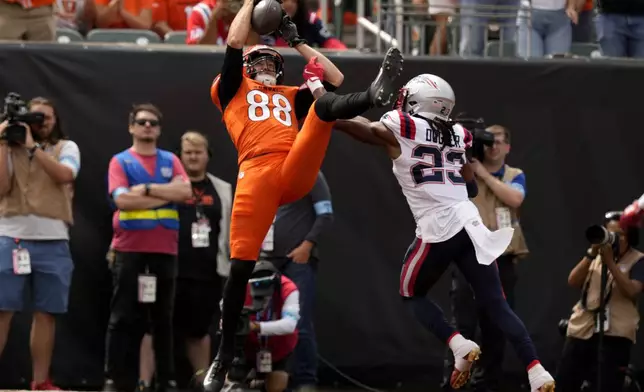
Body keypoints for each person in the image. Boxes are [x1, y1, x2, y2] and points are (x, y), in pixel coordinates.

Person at [203, 2, 404, 390]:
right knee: (240, 268)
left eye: (269, 60)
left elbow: (335, 75)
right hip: (256, 173)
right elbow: (232, 40)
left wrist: (295, 39)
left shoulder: (289, 93)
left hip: (293, 167)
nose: (264, 64)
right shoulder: (231, 89)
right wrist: (250, 3)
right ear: (246, 66)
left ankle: (373, 95)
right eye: (258, 59)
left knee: (321, 108)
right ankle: (223, 358)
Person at [332, 74, 556, 392]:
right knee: (497, 305)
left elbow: (365, 129)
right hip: (469, 220)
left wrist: (325, 110)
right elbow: (470, 183)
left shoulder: (402, 125)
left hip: (437, 226)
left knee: (411, 294)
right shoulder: (459, 133)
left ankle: (457, 343)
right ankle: (536, 369)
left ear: (416, 100)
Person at [104, 104, 192, 392]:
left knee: (163, 320)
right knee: (122, 318)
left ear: (159, 128)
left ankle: (166, 381)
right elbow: (122, 202)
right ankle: (114, 379)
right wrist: (165, 193)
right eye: (141, 122)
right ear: (131, 126)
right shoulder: (120, 162)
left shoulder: (171, 159)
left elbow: (185, 192)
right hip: (129, 249)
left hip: (165, 251)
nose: (147, 127)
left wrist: (147, 189)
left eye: (153, 123)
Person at [138, 131, 233, 390]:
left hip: (208, 272)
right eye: (187, 152)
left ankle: (204, 382)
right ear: (179, 156)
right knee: (153, 327)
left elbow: (231, 229)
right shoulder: (167, 185)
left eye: (198, 152)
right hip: (167, 267)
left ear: (207, 156)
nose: (193, 157)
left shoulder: (222, 189)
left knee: (200, 331)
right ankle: (144, 383)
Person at [0, 97, 80, 391]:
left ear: (56, 120)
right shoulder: (8, 147)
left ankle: (40, 381)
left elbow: (66, 174)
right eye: (35, 116)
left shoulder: (67, 148)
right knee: (1, 310)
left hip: (53, 240)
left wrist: (33, 147)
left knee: (46, 313)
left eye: (45, 117)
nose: (40, 121)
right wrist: (3, 143)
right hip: (10, 236)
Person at [261, 171, 334, 390]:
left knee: (298, 322)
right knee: (265, 321)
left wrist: (307, 246)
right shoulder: (263, 174)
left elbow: (326, 214)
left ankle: (305, 380)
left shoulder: (309, 174)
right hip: (266, 260)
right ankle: (272, 379)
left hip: (297, 260)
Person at [556, 211, 644, 392]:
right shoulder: (595, 256)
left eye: (618, 234)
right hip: (583, 328)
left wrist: (611, 263)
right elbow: (573, 281)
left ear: (630, 237)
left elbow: (632, 290)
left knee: (607, 385)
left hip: (615, 333)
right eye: (609, 234)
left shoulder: (638, 260)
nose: (613, 239)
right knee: (565, 382)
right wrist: (591, 254)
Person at [229, 261, 300, 392]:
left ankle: (260, 384)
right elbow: (225, 309)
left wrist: (256, 327)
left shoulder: (288, 288)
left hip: (279, 349)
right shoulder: (240, 286)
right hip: (246, 347)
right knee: (232, 382)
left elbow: (290, 324)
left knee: (276, 387)